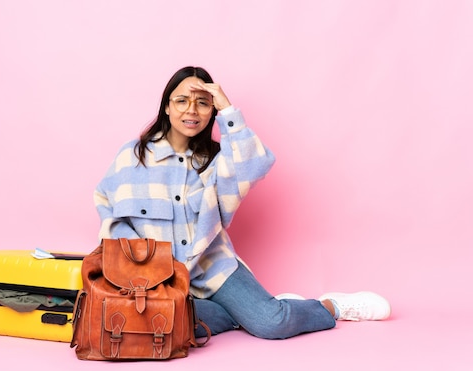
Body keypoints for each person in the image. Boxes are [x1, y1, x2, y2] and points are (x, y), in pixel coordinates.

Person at [93, 66, 391, 340]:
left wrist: (228, 110)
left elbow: (255, 165)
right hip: (159, 277)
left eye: (203, 103)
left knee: (270, 324)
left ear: (212, 111)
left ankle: (329, 306)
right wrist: (141, 262)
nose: (191, 110)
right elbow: (108, 206)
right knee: (164, 324)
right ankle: (250, 311)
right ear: (167, 107)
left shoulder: (218, 159)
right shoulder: (133, 156)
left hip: (214, 268)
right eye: (182, 101)